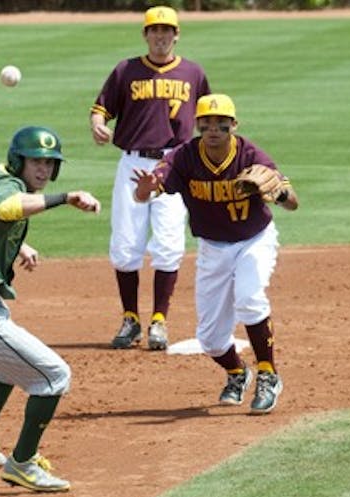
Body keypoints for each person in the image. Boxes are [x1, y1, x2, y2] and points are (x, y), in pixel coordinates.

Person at [0, 126, 101, 492]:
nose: (43, 171)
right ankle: (22, 464)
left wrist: (18, 247)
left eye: (49, 164)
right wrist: (67, 198)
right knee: (54, 376)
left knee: (6, 367)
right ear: (19, 161)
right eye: (36, 162)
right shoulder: (7, 192)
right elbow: (6, 209)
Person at [132, 94, 299, 414]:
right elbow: (147, 192)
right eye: (206, 124)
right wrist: (144, 189)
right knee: (210, 339)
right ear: (197, 126)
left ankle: (268, 373)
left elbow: (293, 203)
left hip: (254, 240)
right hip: (212, 248)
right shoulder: (184, 157)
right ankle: (238, 373)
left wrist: (278, 192)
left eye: (221, 125)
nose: (213, 131)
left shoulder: (251, 155)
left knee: (250, 298)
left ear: (233, 126)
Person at [90, 5, 211, 351]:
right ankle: (131, 319)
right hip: (132, 163)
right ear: (145, 35)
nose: (161, 36)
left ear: (177, 34)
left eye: (167, 30)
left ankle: (159, 320)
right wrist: (98, 125)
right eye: (154, 31)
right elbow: (101, 109)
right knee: (126, 245)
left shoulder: (192, 72)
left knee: (170, 244)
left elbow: (208, 116)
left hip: (176, 164)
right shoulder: (126, 70)